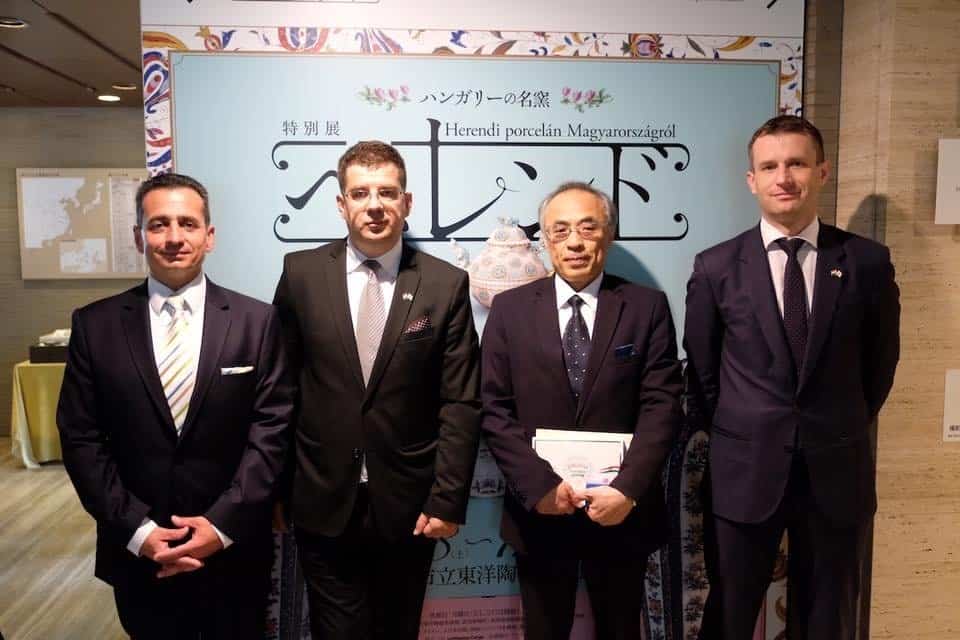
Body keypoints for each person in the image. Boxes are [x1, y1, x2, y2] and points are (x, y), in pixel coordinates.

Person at [684, 115, 900, 639]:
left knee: (829, 618)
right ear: (751, 180)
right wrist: (747, 428)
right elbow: (703, 372)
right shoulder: (716, 267)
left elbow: (880, 366)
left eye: (797, 163)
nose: (783, 177)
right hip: (745, 473)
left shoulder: (867, 262)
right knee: (730, 615)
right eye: (769, 166)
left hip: (836, 472)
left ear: (822, 172)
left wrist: (835, 422)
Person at [56, 172, 294, 639]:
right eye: (159, 224)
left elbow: (272, 430)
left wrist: (220, 526)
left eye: (187, 223)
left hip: (233, 550)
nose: (173, 237)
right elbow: (81, 438)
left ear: (210, 235)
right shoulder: (95, 325)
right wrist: (139, 531)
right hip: (139, 554)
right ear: (138, 237)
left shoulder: (257, 321)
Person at [272, 140, 481, 639]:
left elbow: (460, 402)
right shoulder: (300, 274)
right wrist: (275, 490)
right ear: (341, 203)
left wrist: (447, 499)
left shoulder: (445, 284)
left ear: (406, 203)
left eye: (387, 192)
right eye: (360, 193)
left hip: (410, 504)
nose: (374, 205)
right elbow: (279, 390)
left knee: (397, 629)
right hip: (322, 497)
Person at [480, 181, 683, 639]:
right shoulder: (509, 310)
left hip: (620, 511)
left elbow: (662, 405)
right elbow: (493, 408)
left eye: (588, 228)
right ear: (545, 241)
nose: (574, 241)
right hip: (540, 512)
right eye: (560, 230)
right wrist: (539, 487)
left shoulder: (645, 307)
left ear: (608, 235)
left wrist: (627, 489)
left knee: (620, 630)